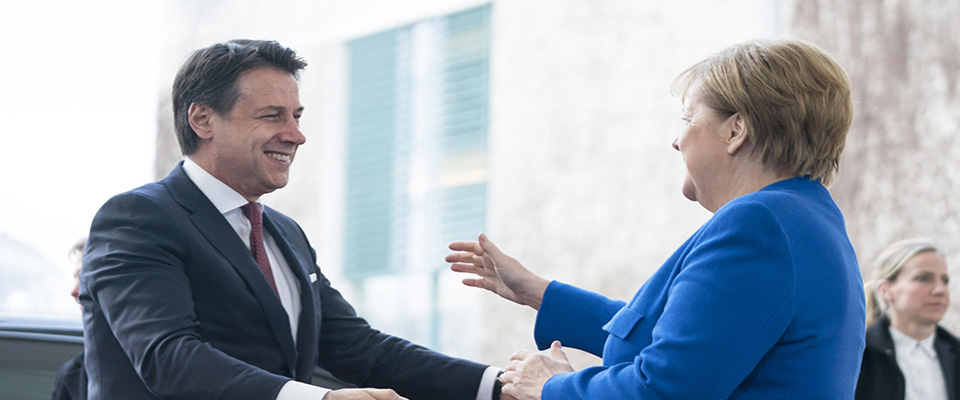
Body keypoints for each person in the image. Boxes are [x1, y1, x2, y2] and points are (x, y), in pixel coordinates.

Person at [80, 39, 507, 400]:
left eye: (297, 116)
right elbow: (168, 358)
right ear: (203, 119)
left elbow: (359, 349)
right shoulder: (138, 218)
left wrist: (499, 387)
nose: (296, 134)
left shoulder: (284, 231)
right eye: (272, 116)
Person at [447, 39, 865, 399]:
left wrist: (552, 387)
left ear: (736, 130)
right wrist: (535, 291)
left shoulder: (758, 223)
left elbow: (665, 388)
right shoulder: (805, 217)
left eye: (687, 119)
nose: (676, 139)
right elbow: (680, 336)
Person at [856, 239, 959, 400]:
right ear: (886, 289)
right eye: (923, 278)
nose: (940, 290)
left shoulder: (955, 351)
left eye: (944, 280)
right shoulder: (860, 356)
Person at [52, 238, 87, 400]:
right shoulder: (71, 374)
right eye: (75, 278)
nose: (73, 291)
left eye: (83, 276)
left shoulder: (156, 361)